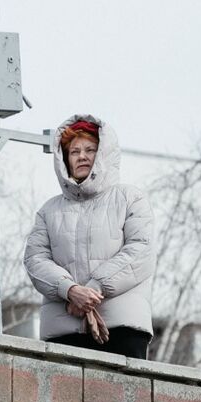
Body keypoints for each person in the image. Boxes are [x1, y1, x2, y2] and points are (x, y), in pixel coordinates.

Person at [23, 114, 155, 359]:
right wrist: (70, 290)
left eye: (90, 149)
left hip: (121, 328)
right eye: (74, 152)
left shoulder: (130, 198)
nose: (82, 156)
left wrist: (92, 291)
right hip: (64, 331)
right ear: (64, 159)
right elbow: (35, 260)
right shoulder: (48, 210)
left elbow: (140, 251)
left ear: (104, 155)